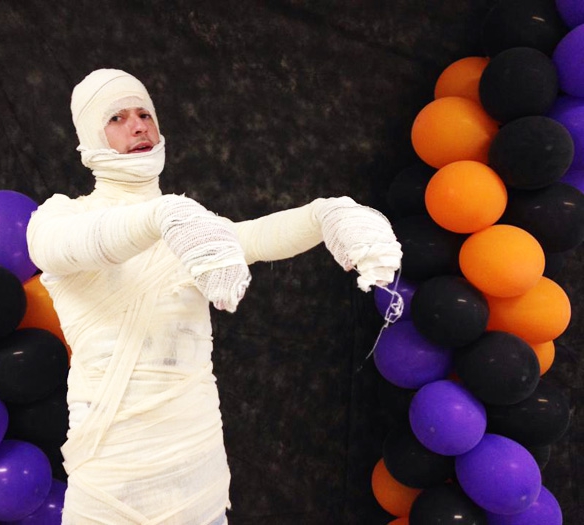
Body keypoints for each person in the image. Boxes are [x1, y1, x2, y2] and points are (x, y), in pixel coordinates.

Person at [26, 69, 402, 525]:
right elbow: (67, 246)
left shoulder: (195, 230)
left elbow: (258, 236)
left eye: (145, 114)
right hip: (111, 481)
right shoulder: (61, 219)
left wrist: (326, 215)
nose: (139, 126)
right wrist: (165, 215)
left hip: (195, 477)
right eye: (117, 118)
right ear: (90, 134)